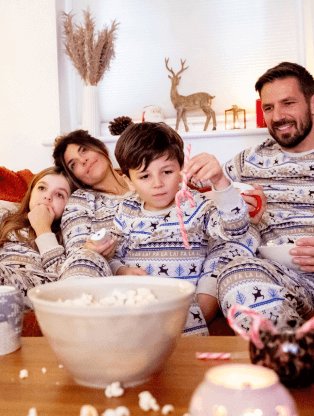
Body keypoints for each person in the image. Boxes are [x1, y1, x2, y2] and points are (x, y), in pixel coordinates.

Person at [185, 61, 314, 331]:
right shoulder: (250, 160)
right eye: (269, 107)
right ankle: (287, 359)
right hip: (280, 280)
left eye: (288, 103)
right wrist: (204, 174)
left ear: (312, 103)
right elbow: (198, 190)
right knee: (235, 273)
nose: (278, 116)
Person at [109, 121, 259, 335]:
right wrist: (121, 270)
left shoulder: (196, 205)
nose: (157, 183)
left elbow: (235, 228)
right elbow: (113, 256)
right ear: (129, 180)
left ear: (181, 169)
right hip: (135, 307)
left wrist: (219, 181)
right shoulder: (126, 210)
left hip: (184, 311)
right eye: (144, 176)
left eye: (167, 172)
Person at [53, 129, 129, 279]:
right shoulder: (81, 200)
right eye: (73, 164)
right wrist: (92, 249)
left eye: (84, 150)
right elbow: (77, 254)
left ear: (101, 148)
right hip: (112, 282)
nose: (83, 161)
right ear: (76, 177)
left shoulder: (144, 177)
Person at [0, 167, 72, 308]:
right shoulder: (7, 218)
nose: (47, 196)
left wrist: (43, 228)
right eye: (41, 188)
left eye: (59, 195)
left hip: (37, 287)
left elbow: (63, 280)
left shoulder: (67, 234)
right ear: (30, 193)